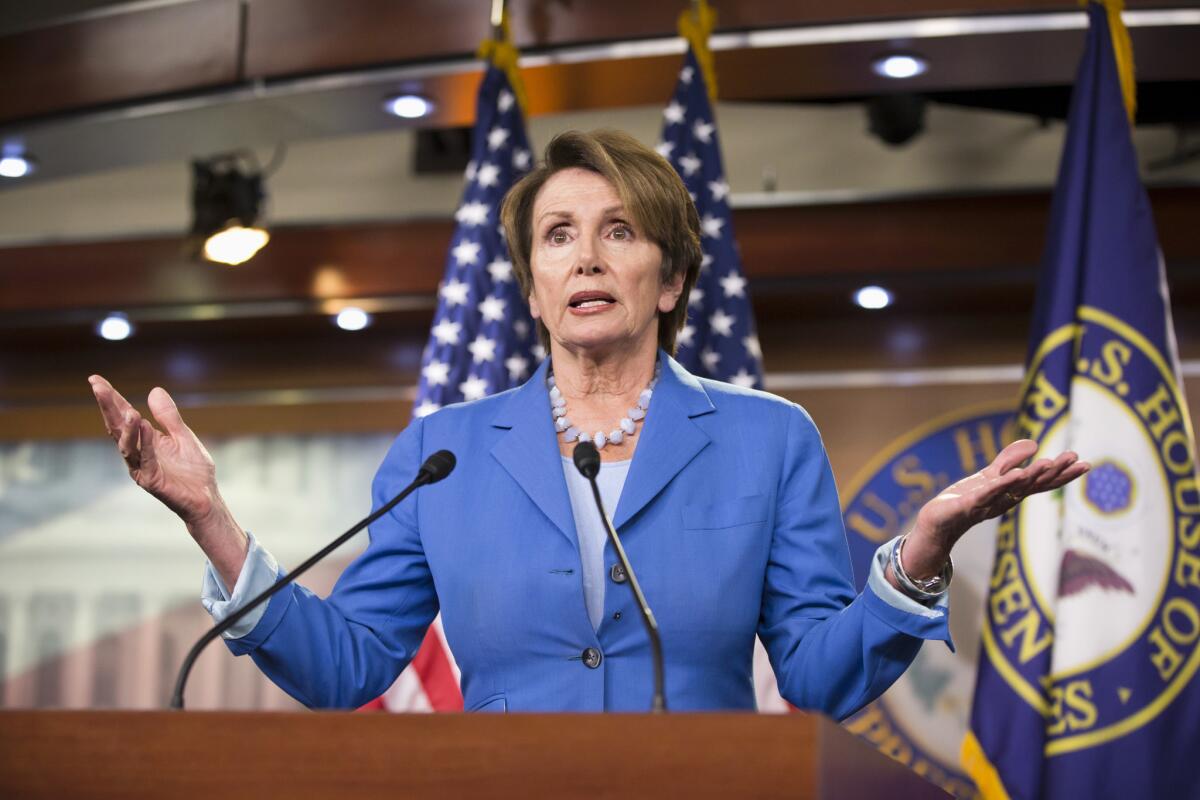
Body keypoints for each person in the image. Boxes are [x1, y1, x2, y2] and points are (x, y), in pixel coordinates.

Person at [88, 130, 1088, 715]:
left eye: (620, 232)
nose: (587, 257)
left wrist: (917, 555)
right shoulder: (443, 451)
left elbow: (821, 675)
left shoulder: (768, 440)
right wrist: (207, 516)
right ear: (532, 287)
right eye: (559, 237)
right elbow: (345, 662)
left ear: (673, 278)